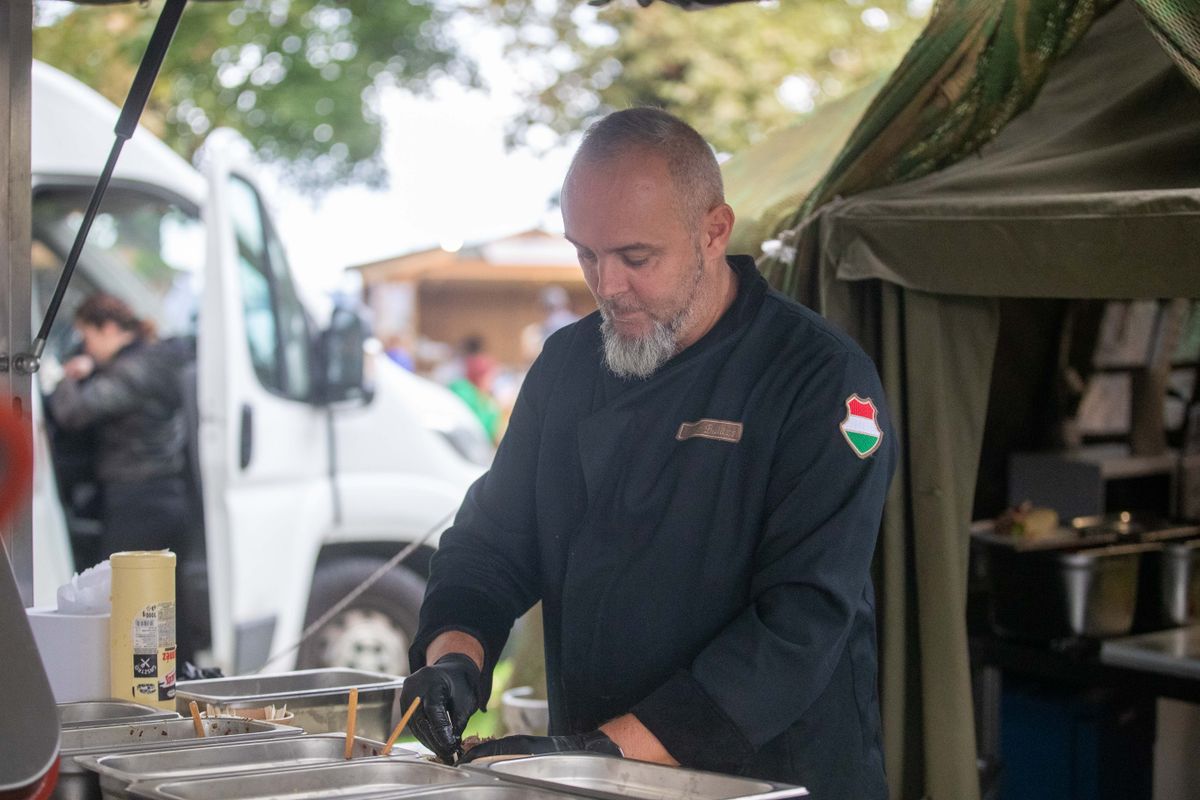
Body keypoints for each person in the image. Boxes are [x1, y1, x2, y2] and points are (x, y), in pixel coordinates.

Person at [397, 108, 896, 799]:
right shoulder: (568, 365)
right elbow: (494, 541)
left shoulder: (819, 380)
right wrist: (455, 656)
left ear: (714, 231)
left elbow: (799, 624)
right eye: (586, 254)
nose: (607, 286)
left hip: (772, 777)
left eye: (636, 258)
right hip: (602, 775)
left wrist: (602, 751)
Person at [49, 294, 190, 564]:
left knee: (124, 587)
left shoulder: (132, 371)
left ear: (110, 329)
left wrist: (68, 376)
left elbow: (73, 413)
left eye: (86, 337)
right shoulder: (148, 360)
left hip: (139, 497)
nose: (85, 348)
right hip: (155, 493)